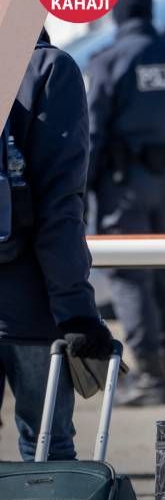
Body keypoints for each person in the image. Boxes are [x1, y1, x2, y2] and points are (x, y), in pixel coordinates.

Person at [85, 0, 165, 407]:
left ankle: (151, 377)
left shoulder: (110, 60)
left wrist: (82, 192)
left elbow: (92, 132)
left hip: (125, 184)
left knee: (129, 276)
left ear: (118, 10)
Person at [0, 29, 114, 460]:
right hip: (30, 312)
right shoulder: (48, 69)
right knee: (46, 450)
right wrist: (77, 314)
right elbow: (59, 210)